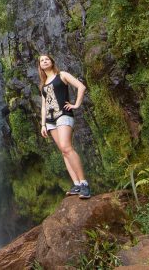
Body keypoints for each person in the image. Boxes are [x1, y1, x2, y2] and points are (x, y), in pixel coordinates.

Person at [38, 54, 90, 199]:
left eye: (46, 59)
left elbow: (81, 87)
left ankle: (84, 183)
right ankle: (77, 184)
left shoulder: (62, 75)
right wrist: (43, 124)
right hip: (50, 121)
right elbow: (43, 106)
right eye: (41, 61)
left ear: (52, 61)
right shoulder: (43, 84)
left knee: (67, 148)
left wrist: (76, 104)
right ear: (40, 66)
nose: (44, 61)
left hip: (63, 115)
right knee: (63, 151)